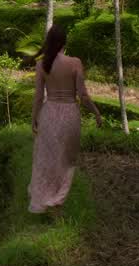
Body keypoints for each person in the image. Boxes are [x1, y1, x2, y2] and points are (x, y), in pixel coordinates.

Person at [28, 25, 102, 214]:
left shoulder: (42, 64)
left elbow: (38, 97)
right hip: (69, 114)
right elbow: (83, 96)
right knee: (67, 159)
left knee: (48, 159)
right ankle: (58, 200)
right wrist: (96, 112)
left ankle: (47, 200)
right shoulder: (75, 63)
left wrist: (34, 118)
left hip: (49, 113)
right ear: (64, 42)